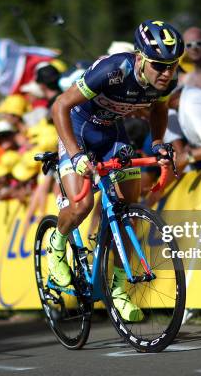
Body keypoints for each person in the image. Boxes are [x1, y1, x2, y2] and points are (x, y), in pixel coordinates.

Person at [49, 19, 181, 322]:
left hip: (112, 134)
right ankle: (56, 246)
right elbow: (59, 106)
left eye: (172, 65)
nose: (167, 73)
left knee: (128, 212)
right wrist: (75, 154)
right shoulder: (114, 70)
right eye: (159, 66)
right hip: (79, 131)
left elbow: (159, 109)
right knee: (82, 204)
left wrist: (158, 141)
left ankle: (119, 289)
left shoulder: (167, 81)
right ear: (141, 57)